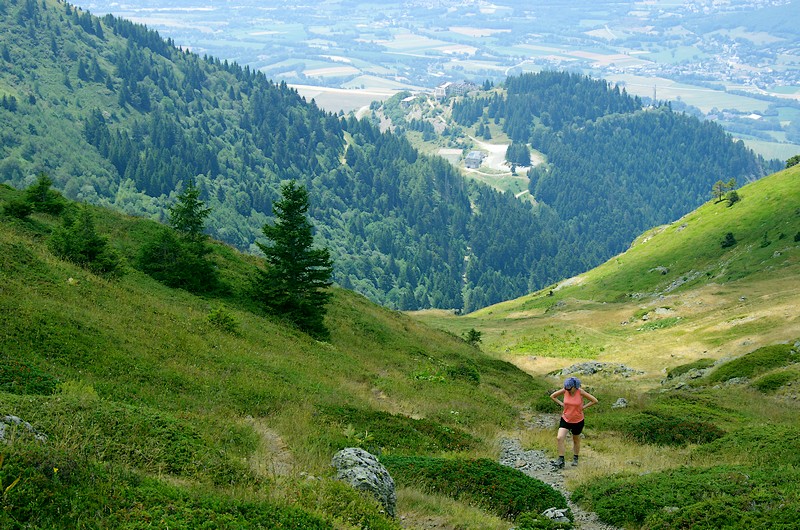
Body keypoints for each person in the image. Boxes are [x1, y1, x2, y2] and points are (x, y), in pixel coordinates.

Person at [549, 376, 598, 468]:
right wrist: (561, 404)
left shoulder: (580, 392)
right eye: (566, 387)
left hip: (577, 420)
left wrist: (583, 407)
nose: (567, 389)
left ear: (575, 387)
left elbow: (594, 400)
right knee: (559, 438)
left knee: (576, 439)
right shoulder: (565, 390)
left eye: (569, 388)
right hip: (566, 418)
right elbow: (552, 396)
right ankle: (561, 460)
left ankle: (575, 458)